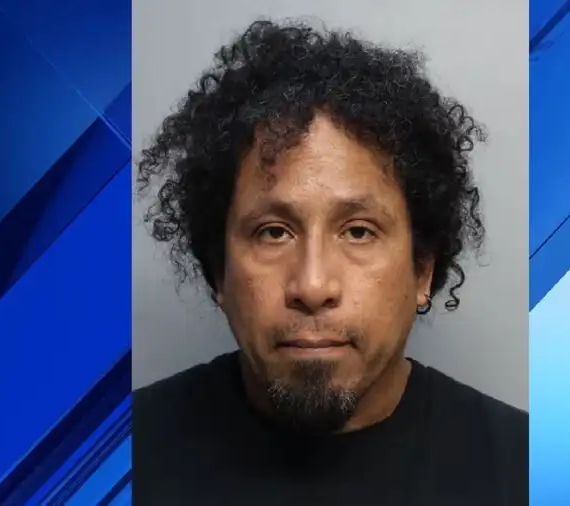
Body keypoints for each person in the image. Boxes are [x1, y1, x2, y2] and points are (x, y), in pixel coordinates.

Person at [133, 19, 528, 506]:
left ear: (423, 268)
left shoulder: (525, 471)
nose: (313, 285)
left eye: (358, 231)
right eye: (273, 232)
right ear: (219, 270)